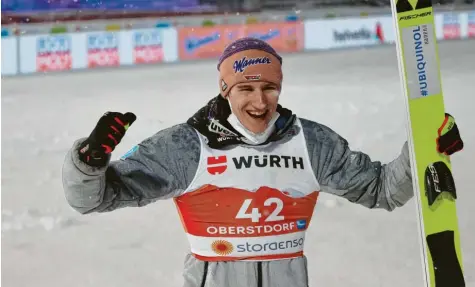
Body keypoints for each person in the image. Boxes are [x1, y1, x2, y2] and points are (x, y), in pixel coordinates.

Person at [62, 37, 464, 287]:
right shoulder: (186, 146)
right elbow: (92, 199)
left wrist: (423, 150)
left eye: (269, 88)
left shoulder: (312, 143)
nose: (259, 102)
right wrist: (89, 161)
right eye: (246, 88)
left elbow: (381, 191)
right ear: (225, 88)